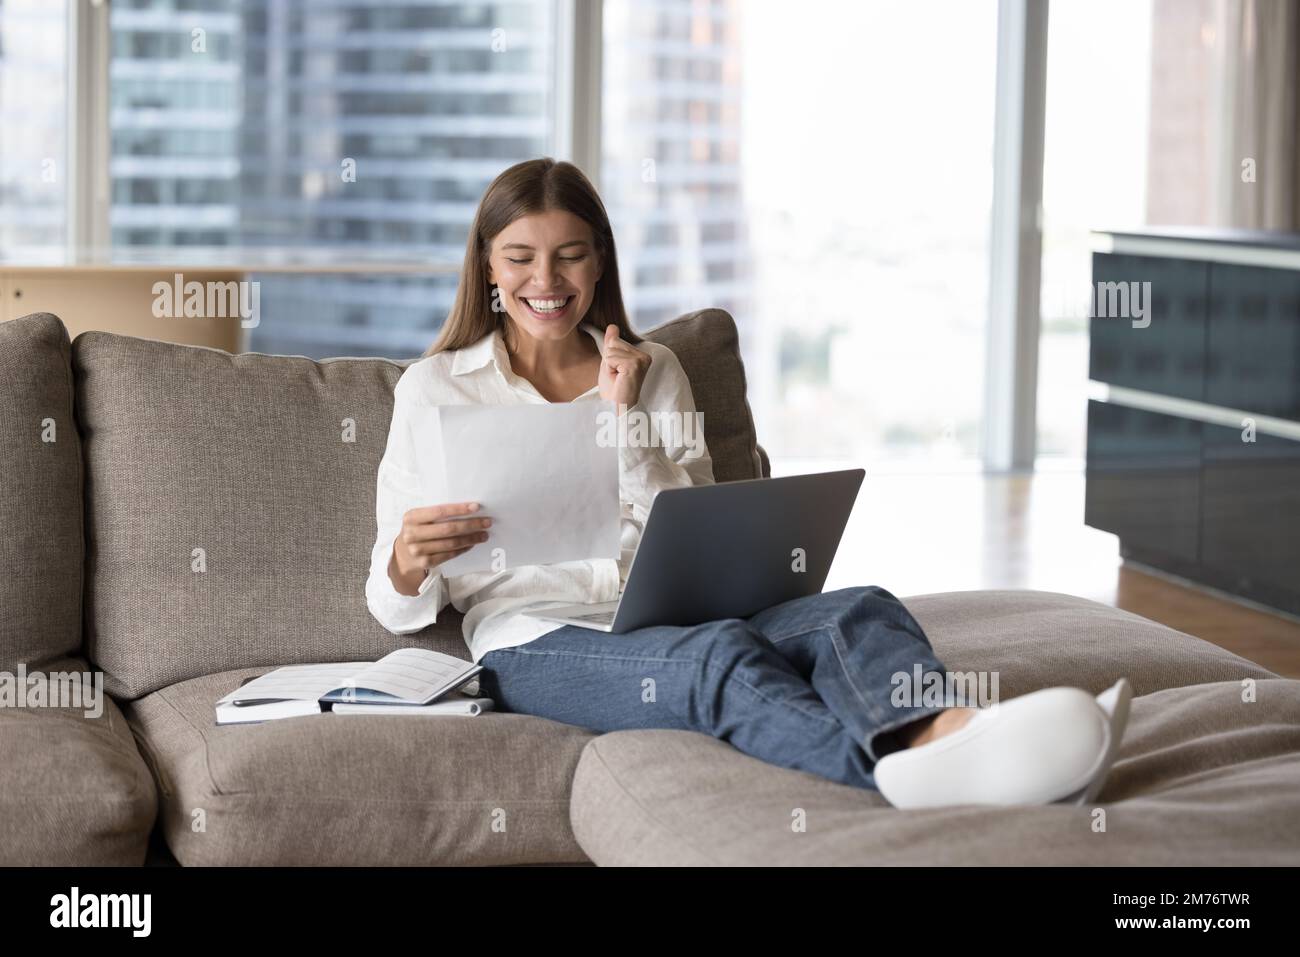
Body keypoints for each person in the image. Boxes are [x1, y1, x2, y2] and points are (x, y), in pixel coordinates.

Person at [365, 157, 1131, 807]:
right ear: (488, 266)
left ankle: (949, 734)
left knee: (857, 610)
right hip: (531, 639)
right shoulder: (436, 389)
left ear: (599, 262)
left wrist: (622, 418)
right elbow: (390, 602)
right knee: (720, 659)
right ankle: (923, 779)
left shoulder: (651, 370)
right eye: (520, 256)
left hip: (667, 613)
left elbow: (698, 526)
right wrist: (410, 556)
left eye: (570, 254)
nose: (547, 279)